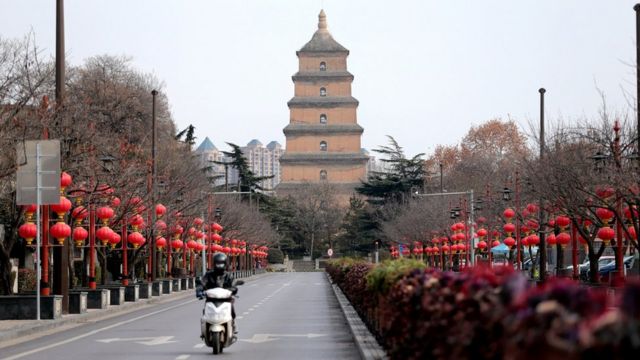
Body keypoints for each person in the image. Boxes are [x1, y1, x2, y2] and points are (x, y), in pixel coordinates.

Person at [196, 253, 238, 336]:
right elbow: (202, 283)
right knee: (205, 312)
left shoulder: (228, 275)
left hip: (226, 299)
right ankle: (205, 329)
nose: (219, 266)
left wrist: (233, 289)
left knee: (232, 309)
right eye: (218, 263)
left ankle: (233, 323)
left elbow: (233, 285)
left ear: (225, 264)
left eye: (221, 263)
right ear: (214, 263)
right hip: (211, 299)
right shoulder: (209, 275)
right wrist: (199, 290)